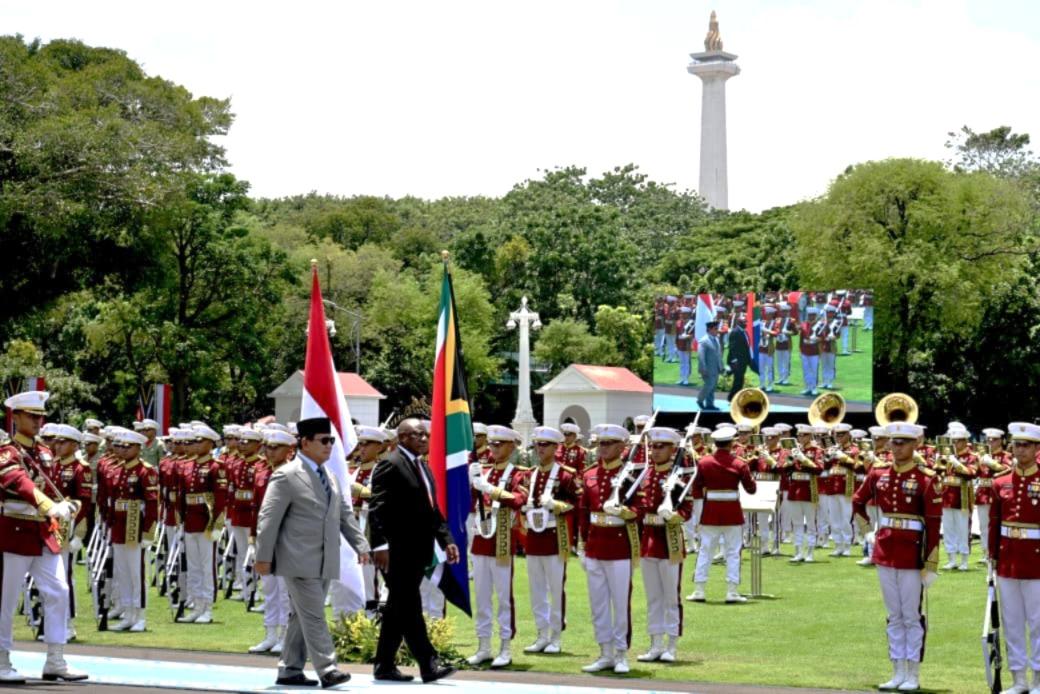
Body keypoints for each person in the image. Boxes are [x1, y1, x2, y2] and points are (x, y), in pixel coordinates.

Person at [255, 416, 370, 689]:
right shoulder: (286, 475)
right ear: (304, 443)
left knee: (301, 616)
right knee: (314, 613)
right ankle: (327, 668)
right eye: (324, 440)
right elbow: (268, 519)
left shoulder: (328, 475)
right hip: (297, 558)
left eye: (331, 440)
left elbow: (343, 514)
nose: (329, 445)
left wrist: (361, 545)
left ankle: (289, 669)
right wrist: (263, 557)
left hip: (325, 558)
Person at [0, 391, 87, 683]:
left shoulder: (43, 452)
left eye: (40, 417)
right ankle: (1, 661)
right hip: (13, 530)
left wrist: (69, 505)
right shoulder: (7, 450)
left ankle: (55, 659)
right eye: (32, 416)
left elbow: (53, 487)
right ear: (16, 417)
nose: (38, 422)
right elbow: (19, 482)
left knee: (59, 591)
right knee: (6, 600)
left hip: (42, 533)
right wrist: (51, 506)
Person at [367, 418, 458, 684]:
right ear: (403, 437)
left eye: (426, 435)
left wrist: (446, 540)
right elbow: (377, 508)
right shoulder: (390, 464)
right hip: (395, 551)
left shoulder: (423, 467)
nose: (425, 439)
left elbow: (432, 511)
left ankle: (384, 665)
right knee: (409, 605)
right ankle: (429, 663)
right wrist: (380, 545)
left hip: (418, 550)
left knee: (398, 607)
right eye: (418, 435)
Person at [852, 421, 941, 692]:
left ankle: (913, 672)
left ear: (916, 445)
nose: (897, 447)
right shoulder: (879, 473)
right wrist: (867, 532)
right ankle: (897, 670)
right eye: (894, 441)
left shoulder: (926, 477)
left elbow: (934, 523)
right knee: (894, 614)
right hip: (886, 548)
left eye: (903, 442)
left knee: (911, 615)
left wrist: (931, 562)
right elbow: (857, 501)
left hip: (912, 551)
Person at [578, 424, 640, 674]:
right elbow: (583, 511)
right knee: (598, 603)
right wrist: (581, 544)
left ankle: (621, 652)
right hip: (595, 544)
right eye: (600, 443)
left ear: (622, 446)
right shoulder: (590, 474)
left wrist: (625, 512)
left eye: (608, 443)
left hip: (619, 546)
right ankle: (604, 651)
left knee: (620, 601)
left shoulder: (632, 474)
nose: (602, 448)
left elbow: (642, 507)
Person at [467, 425, 528, 668]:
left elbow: (519, 499)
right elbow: (471, 502)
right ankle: (483, 645)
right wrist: (471, 481)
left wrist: (490, 489)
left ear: (512, 446)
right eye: (491, 444)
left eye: (499, 444)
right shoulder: (483, 470)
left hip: (502, 539)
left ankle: (505, 646)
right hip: (482, 538)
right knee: (481, 597)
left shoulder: (519, 473)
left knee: (503, 597)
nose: (493, 448)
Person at [988, 422, 1040, 694]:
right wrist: (992, 557)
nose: (1020, 449)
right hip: (1008, 560)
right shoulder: (1001, 481)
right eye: (1017, 444)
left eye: (1026, 445)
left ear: (1036, 448)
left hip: (1037, 561)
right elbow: (994, 523)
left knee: (1038, 622)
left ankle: (1039, 680)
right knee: (1012, 622)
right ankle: (1018, 679)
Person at [521, 426, 581, 655]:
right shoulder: (531, 473)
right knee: (536, 589)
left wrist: (556, 505)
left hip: (556, 536)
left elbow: (578, 502)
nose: (540, 448)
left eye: (545, 444)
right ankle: (541, 633)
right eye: (537, 444)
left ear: (556, 447)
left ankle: (555, 635)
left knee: (555, 588)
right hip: (535, 536)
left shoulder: (565, 475)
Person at [636, 427, 691, 662]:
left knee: (671, 596)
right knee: (653, 597)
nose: (656, 451)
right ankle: (655, 643)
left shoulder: (679, 476)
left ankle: (671, 644)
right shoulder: (646, 474)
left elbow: (687, 510)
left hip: (669, 540)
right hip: (648, 539)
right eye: (654, 446)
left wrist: (673, 514)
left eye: (661, 447)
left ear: (672, 449)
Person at [689, 426, 756, 604]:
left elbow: (696, 488)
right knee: (733, 552)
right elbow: (751, 489)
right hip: (732, 513)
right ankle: (732, 591)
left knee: (705, 551)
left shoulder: (703, 462)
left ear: (715, 443)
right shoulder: (740, 463)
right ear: (732, 443)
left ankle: (699, 590)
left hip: (710, 512)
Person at [247, 428, 296, 655]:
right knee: (269, 588)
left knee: (286, 590)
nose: (270, 451)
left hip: (286, 537)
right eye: (267, 446)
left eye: (276, 447)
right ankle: (270, 634)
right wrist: (253, 536)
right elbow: (255, 507)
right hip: (265, 537)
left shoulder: (294, 472)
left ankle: (286, 635)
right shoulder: (260, 471)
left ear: (289, 450)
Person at [107, 428, 159, 632]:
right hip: (120, 525)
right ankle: (128, 613)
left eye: (128, 446)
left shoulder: (145, 471)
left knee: (137, 573)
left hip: (135, 525)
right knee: (123, 573)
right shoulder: (119, 469)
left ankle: (140, 615)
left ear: (138, 447)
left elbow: (153, 504)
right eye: (121, 446)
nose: (123, 450)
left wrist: (148, 532)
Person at [176, 424, 228, 624]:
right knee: (194, 566)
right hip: (191, 520)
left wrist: (216, 524)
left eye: (200, 441)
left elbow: (221, 498)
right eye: (193, 441)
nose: (195, 445)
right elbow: (182, 495)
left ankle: (207, 606)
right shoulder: (188, 465)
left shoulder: (216, 467)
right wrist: (181, 518)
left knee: (208, 567)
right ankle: (196, 605)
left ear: (210, 443)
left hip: (206, 521)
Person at [939, 425, 976, 571]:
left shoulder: (972, 457)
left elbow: (971, 472)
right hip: (947, 495)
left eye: (957, 441)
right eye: (952, 441)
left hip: (962, 497)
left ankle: (964, 560)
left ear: (965, 441)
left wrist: (956, 463)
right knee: (948, 529)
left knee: (962, 529)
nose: (954, 444)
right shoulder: (946, 455)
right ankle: (951, 559)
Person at [976, 427, 1012, 564]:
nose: (991, 442)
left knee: (995, 524)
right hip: (983, 492)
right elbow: (976, 473)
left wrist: (991, 463)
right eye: (988, 440)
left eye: (994, 440)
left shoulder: (1005, 456)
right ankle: (986, 552)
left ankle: (995, 551)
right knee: (983, 526)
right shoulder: (983, 455)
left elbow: (1007, 469)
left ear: (1001, 441)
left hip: (996, 493)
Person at [697, 321, 723, 411]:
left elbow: (718, 354)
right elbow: (701, 356)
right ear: (709, 329)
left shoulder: (716, 339)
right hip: (708, 368)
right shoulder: (704, 341)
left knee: (713, 386)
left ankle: (710, 404)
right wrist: (703, 369)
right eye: (716, 329)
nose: (717, 330)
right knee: (709, 385)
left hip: (715, 368)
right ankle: (700, 400)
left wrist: (721, 367)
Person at [727, 314, 753, 402]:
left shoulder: (744, 331)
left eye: (746, 322)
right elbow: (732, 347)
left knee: (740, 379)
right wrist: (734, 360)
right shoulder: (735, 332)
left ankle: (735, 397)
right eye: (743, 322)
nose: (745, 323)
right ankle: (732, 398)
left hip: (743, 361)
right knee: (737, 380)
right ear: (739, 323)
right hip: (737, 361)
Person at [799, 307, 822, 396]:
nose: (811, 317)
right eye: (809, 315)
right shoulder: (804, 324)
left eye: (813, 315)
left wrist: (815, 339)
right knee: (806, 370)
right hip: (805, 350)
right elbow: (801, 338)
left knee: (814, 370)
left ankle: (814, 387)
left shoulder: (819, 325)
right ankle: (807, 387)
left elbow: (822, 337)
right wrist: (800, 350)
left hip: (814, 351)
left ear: (815, 316)